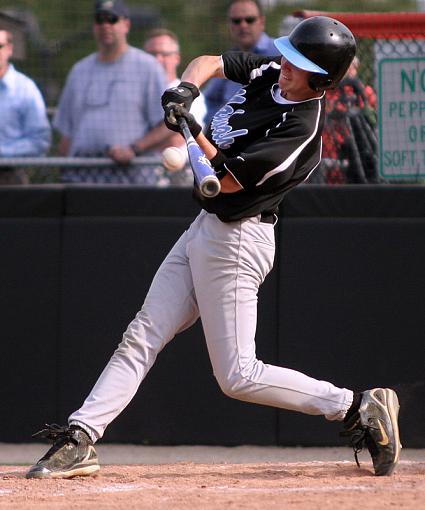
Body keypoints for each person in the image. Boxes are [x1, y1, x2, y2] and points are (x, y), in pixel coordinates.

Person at [26, 16, 401, 480]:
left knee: (239, 376)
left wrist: (194, 129)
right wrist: (186, 92)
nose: (285, 65)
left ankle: (356, 406)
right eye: (288, 55)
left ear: (321, 79)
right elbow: (210, 62)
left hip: (240, 239)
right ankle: (81, 436)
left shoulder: (299, 130)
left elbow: (221, 183)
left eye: (299, 63)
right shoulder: (271, 74)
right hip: (207, 228)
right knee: (143, 332)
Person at [53, 0, 171, 185]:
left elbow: (168, 124)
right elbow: (66, 136)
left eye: (112, 19)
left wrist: (133, 149)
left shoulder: (148, 66)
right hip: (81, 178)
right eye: (99, 19)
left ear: (126, 24)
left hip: (130, 179)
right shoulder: (79, 70)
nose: (105, 25)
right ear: (94, 26)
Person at [143, 28, 207, 185]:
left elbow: (178, 137)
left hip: (182, 182)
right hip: (142, 181)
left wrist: (138, 144)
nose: (157, 60)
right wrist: (160, 136)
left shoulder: (190, 94)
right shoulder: (136, 94)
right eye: (151, 55)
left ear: (176, 58)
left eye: (164, 54)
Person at [203, 0, 279, 124]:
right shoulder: (226, 60)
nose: (243, 25)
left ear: (262, 22)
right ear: (230, 24)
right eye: (236, 21)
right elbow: (211, 99)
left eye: (249, 20)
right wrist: (218, 127)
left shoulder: (280, 53)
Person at [0, 29, 51, 185]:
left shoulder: (25, 89)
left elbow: (40, 142)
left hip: (9, 178)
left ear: (9, 49)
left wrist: (3, 153)